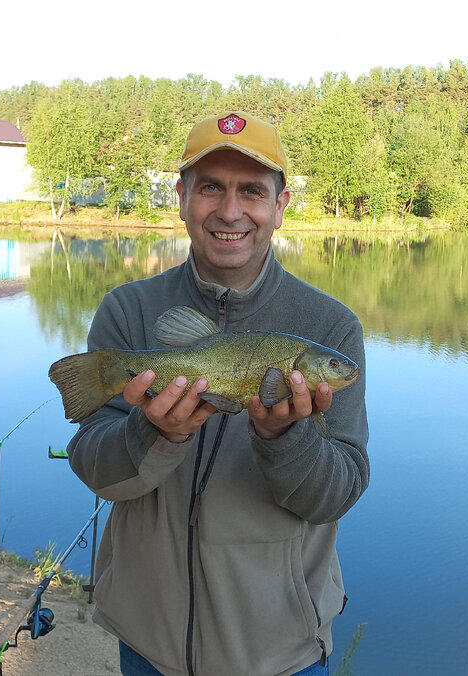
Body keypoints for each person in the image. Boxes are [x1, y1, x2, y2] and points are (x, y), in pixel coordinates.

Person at [65, 111, 370, 676]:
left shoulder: (331, 326)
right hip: (148, 639)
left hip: (281, 650)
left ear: (280, 205)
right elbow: (97, 473)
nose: (230, 211)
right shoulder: (126, 311)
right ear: (182, 198)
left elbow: (339, 493)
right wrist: (154, 431)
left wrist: (285, 438)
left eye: (252, 191)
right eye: (211, 187)